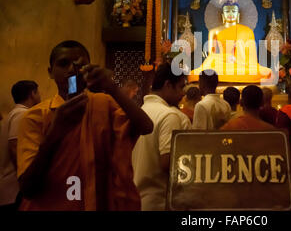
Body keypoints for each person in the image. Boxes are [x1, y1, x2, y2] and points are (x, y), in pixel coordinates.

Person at [16, 40, 153, 211]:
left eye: (79, 64)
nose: (72, 69)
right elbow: (28, 189)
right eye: (63, 63)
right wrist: (55, 132)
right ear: (50, 72)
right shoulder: (36, 116)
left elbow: (146, 126)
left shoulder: (103, 103)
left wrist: (112, 87)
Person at [132, 63, 186, 210]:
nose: (183, 94)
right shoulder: (169, 115)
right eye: (181, 87)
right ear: (168, 85)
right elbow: (166, 162)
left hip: (137, 197)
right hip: (158, 201)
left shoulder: (141, 111)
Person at [188, 0, 272, 83]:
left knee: (262, 72)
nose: (230, 14)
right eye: (227, 11)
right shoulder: (214, 31)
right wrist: (226, 57)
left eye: (233, 11)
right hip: (221, 63)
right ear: (222, 14)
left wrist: (238, 60)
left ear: (238, 14)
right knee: (196, 73)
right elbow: (211, 55)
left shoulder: (247, 31)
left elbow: (252, 58)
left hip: (242, 64)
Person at [0, 81, 41, 210]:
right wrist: (26, 180)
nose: (40, 96)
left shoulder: (13, 114)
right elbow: (15, 147)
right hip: (15, 190)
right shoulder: (22, 114)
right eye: (38, 92)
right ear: (32, 94)